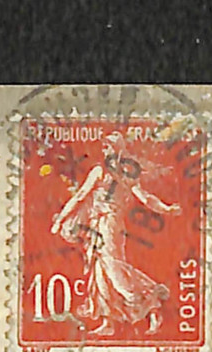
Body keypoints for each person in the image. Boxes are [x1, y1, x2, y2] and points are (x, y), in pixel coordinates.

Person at [49, 132, 182, 336]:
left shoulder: (127, 175)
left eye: (109, 147)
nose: (106, 151)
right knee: (100, 272)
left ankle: (151, 302)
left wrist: (167, 209)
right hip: (96, 224)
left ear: (119, 150)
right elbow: (80, 197)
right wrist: (61, 219)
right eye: (104, 148)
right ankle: (108, 322)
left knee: (114, 269)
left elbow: (145, 198)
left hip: (111, 225)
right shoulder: (98, 172)